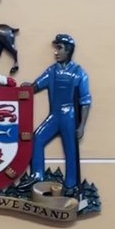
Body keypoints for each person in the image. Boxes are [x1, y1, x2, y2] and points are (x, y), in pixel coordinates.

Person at [29, 33, 92, 192]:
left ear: (68, 50)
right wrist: (24, 89)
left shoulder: (79, 72)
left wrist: (82, 126)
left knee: (71, 149)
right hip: (55, 115)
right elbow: (36, 86)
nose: (56, 52)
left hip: (69, 117)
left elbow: (85, 100)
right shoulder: (52, 71)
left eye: (60, 48)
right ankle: (37, 176)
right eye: (55, 48)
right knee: (38, 137)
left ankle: (71, 184)